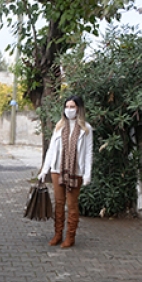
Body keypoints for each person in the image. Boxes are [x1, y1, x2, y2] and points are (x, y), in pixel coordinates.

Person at [38, 95, 93, 248]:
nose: (69, 110)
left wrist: (87, 174)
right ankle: (57, 234)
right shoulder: (59, 126)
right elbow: (51, 150)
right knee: (59, 203)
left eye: (72, 107)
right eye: (67, 107)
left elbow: (88, 153)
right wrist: (44, 170)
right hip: (57, 170)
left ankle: (70, 236)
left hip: (76, 172)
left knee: (72, 205)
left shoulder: (86, 129)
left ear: (79, 109)